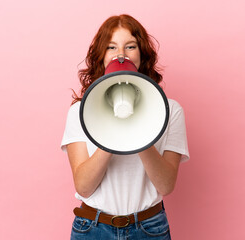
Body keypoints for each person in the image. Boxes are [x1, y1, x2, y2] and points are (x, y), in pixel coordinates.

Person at [61, 14, 189, 240]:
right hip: (93, 228)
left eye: (130, 46)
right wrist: (113, 131)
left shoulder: (170, 111)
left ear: (142, 55)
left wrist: (139, 130)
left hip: (149, 229)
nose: (121, 55)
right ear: (101, 56)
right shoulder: (80, 112)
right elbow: (84, 186)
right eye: (111, 47)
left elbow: (166, 185)